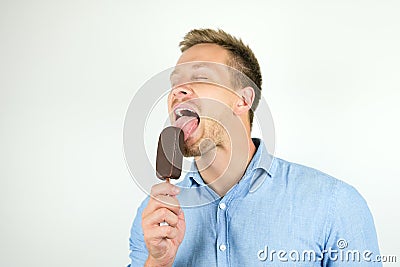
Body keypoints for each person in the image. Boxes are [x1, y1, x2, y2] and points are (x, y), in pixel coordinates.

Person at [128, 29, 381, 266]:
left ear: (243, 100)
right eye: (175, 83)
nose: (177, 91)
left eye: (201, 77)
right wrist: (157, 262)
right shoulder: (154, 216)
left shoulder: (334, 204)